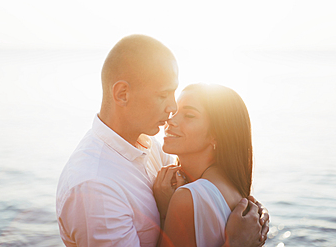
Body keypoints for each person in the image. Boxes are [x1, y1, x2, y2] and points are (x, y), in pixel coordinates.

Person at [56, 34, 269, 247]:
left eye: (174, 93)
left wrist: (251, 211)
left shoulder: (151, 148)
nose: (172, 108)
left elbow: (202, 188)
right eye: (163, 95)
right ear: (122, 94)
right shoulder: (95, 187)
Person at [153, 83, 263, 247]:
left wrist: (165, 213)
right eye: (174, 111)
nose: (171, 120)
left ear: (216, 135)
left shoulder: (187, 197)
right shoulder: (233, 188)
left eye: (189, 115)